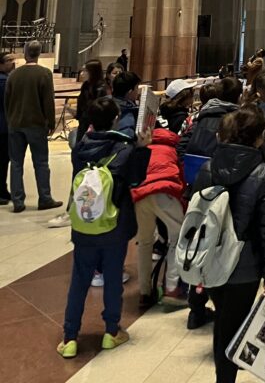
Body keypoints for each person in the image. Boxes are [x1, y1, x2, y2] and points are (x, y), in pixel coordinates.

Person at [192, 106, 265, 383]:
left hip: (210, 261)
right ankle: (225, 376)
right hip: (246, 266)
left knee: (224, 320)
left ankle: (225, 372)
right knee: (232, 326)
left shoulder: (207, 168)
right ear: (259, 137)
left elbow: (195, 218)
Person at [57, 97, 152, 358]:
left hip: (84, 223)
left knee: (79, 280)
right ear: (115, 120)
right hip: (114, 226)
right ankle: (111, 332)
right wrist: (142, 149)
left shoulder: (79, 146)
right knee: (112, 279)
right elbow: (136, 180)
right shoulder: (124, 148)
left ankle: (70, 337)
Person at [132, 122, 187, 307]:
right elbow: (181, 177)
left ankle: (145, 292)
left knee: (145, 242)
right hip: (165, 192)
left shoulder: (143, 147)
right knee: (178, 237)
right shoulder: (172, 149)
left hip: (141, 196)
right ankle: (172, 288)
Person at [4, 40, 61, 213]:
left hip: (15, 124)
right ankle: (45, 198)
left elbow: (7, 100)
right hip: (36, 124)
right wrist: (51, 122)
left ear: (25, 53)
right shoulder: (44, 73)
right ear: (39, 53)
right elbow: (48, 101)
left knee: (16, 163)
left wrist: (10, 119)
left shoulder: (14, 75)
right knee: (41, 162)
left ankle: (18, 201)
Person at [75, 59, 108, 143]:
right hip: (83, 123)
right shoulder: (85, 85)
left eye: (85, 71)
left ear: (93, 72)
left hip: (94, 126)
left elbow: (100, 109)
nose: (82, 74)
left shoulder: (101, 88)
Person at [0, 50, 15, 205]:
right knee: (3, 160)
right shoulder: (4, 81)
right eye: (8, 60)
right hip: (3, 126)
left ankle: (3, 190)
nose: (12, 62)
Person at [111, 72, 141, 137]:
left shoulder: (104, 104)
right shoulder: (128, 116)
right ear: (130, 91)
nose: (138, 91)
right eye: (137, 87)